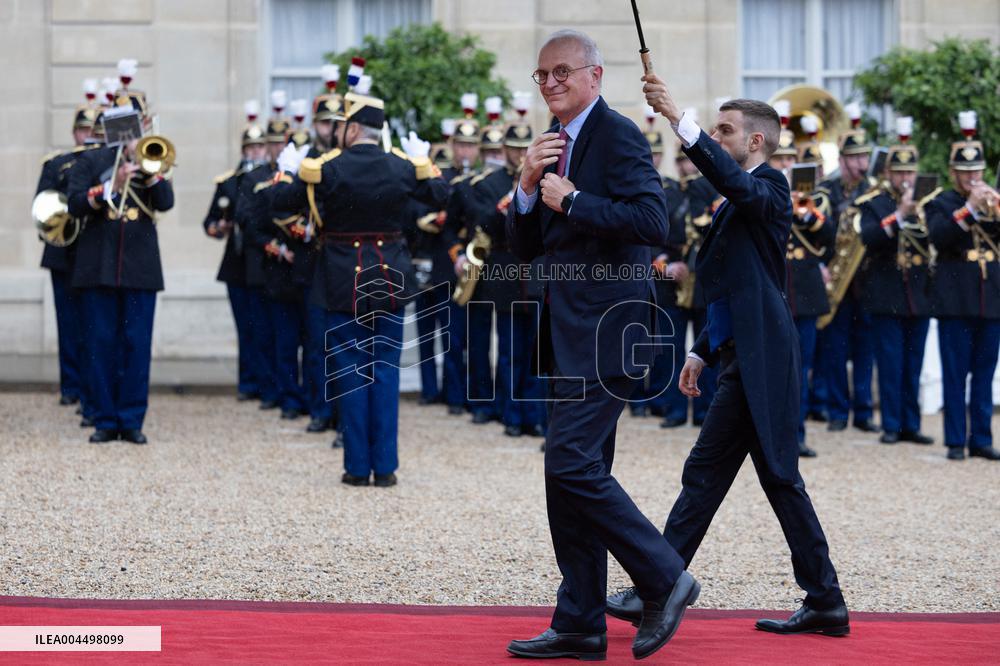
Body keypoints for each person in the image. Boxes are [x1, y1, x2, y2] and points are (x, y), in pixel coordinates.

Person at [617, 74, 848, 636]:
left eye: (726, 131)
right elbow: (733, 284)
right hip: (744, 352)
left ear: (756, 143)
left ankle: (660, 584)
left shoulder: (769, 188)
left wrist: (681, 119)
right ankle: (824, 600)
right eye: (713, 129)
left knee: (754, 475)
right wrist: (700, 349)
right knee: (743, 476)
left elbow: (736, 192)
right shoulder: (739, 196)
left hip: (764, 357)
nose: (716, 140)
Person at [504, 30, 697, 662]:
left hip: (609, 329)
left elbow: (652, 221)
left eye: (563, 71)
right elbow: (528, 249)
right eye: (543, 75)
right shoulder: (554, 144)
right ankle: (580, 621)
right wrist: (529, 187)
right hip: (565, 331)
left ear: (594, 75)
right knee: (570, 477)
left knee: (568, 464)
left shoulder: (616, 134)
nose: (552, 82)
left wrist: (575, 199)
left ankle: (665, 577)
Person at [271, 73, 448, 487]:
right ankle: (384, 468)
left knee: (349, 370)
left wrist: (286, 172)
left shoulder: (323, 168)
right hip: (389, 275)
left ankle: (356, 467)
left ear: (351, 128)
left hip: (340, 277)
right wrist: (425, 163)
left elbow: (279, 205)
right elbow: (442, 198)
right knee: (385, 369)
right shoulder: (403, 167)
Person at [67, 88, 175, 444]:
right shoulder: (91, 160)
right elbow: (75, 205)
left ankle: (131, 419)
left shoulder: (153, 158)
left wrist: (149, 171)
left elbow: (166, 202)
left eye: (134, 123)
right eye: (120, 124)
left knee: (136, 344)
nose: (128, 131)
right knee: (100, 343)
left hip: (140, 265)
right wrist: (110, 185)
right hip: (99, 262)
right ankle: (104, 418)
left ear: (144, 124)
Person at [923, 111, 1000, 461]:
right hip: (956, 300)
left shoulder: (994, 201)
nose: (972, 178)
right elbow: (940, 237)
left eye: (977, 172)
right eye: (965, 172)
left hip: (990, 300)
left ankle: (981, 438)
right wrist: (969, 208)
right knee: (955, 374)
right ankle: (956, 440)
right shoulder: (942, 202)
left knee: (984, 374)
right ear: (954, 172)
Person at [465, 121, 546, 438]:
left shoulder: (546, 176)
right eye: (512, 149)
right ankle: (511, 415)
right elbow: (479, 222)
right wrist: (502, 209)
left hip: (537, 271)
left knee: (537, 352)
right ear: (504, 151)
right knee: (510, 350)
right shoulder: (489, 182)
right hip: (506, 270)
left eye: (523, 149)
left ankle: (535, 416)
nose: (517, 155)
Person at [857, 118, 934, 446]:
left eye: (909, 173)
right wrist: (899, 215)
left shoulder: (928, 203)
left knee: (913, 363)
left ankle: (910, 424)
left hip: (917, 291)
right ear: (888, 173)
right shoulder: (876, 203)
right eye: (899, 173)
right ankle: (890, 423)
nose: (905, 179)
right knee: (890, 362)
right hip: (887, 291)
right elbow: (870, 238)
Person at [813, 105, 878, 433]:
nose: (861, 163)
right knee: (835, 350)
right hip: (835, 280)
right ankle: (838, 412)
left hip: (866, 283)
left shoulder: (876, 192)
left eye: (864, 156)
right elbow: (819, 235)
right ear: (842, 159)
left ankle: (864, 413)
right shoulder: (827, 191)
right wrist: (822, 265)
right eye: (854, 157)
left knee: (865, 351)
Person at [35, 95, 98, 414]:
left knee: (93, 325)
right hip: (63, 253)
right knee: (68, 324)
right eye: (81, 130)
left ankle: (90, 388)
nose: (85, 135)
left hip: (92, 252)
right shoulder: (56, 164)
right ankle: (70, 386)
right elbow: (43, 207)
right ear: (73, 132)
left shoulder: (102, 164)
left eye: (91, 130)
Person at [203, 106, 269, 402]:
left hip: (263, 263)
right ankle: (247, 382)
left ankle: (266, 383)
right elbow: (210, 221)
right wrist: (219, 227)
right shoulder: (228, 181)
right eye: (250, 147)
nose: (255, 152)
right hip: (237, 262)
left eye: (259, 146)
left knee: (264, 326)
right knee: (244, 327)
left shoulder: (271, 177)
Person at [786, 136, 837, 457]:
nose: (785, 166)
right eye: (780, 160)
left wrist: (804, 211)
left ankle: (796, 434)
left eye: (790, 161)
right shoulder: (762, 191)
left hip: (803, 292)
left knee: (800, 367)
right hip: (774, 287)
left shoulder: (817, 199)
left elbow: (827, 238)